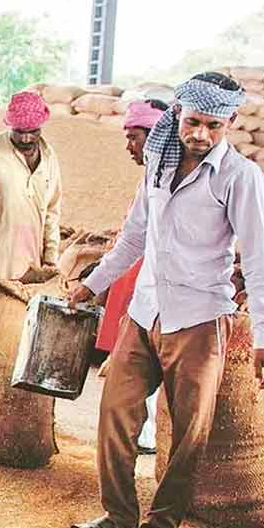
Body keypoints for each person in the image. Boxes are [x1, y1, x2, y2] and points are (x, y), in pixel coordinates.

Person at [64, 73, 264, 528]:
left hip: (201, 319)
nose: (200, 134)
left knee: (189, 432)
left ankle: (161, 524)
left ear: (231, 123)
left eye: (212, 126)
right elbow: (134, 238)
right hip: (144, 313)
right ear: (177, 116)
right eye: (192, 122)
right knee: (114, 411)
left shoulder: (239, 178)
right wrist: (92, 284)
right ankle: (118, 517)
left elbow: (259, 258)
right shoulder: (158, 163)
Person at [96, 99, 172, 455]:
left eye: (135, 137)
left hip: (168, 291)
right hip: (139, 281)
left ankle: (150, 434)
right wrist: (93, 281)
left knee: (156, 365)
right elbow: (132, 238)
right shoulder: (150, 176)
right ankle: (140, 433)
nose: (129, 146)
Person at [0, 90, 62, 280]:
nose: (26, 139)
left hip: (34, 262)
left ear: (41, 126)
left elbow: (52, 209)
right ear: (10, 126)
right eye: (19, 132)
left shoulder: (49, 157)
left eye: (33, 132)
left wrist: (50, 257)